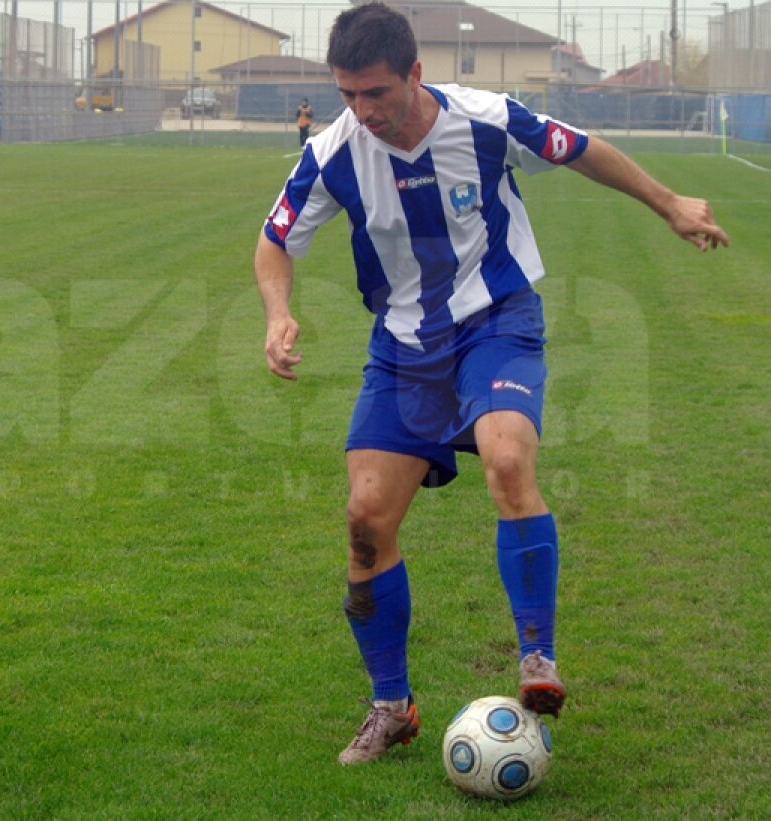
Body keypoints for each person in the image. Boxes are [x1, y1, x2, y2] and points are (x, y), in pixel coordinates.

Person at [255, 2, 728, 767]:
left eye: (375, 92)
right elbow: (274, 239)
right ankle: (390, 706)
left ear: (414, 73)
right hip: (403, 346)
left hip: (495, 321)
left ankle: (537, 657)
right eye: (347, 94)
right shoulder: (332, 152)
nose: (362, 110)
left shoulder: (484, 119)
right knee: (365, 518)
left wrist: (669, 203)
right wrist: (278, 312)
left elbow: (581, 150)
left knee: (507, 458)